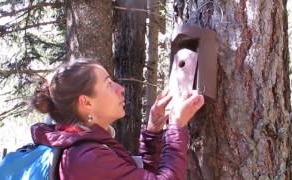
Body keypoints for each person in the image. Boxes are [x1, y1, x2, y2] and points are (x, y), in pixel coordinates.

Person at [31, 58, 204, 180]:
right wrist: (176, 125)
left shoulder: (83, 145)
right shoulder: (87, 159)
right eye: (108, 84)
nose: (120, 88)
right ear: (86, 102)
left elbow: (146, 175)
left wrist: (153, 132)